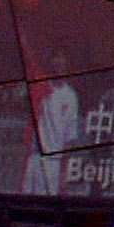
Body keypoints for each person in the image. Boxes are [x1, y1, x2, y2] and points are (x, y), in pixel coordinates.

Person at [22, 50, 80, 195]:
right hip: (33, 156)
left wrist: (63, 173)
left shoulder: (70, 97)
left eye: (62, 63)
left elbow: (69, 138)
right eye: (56, 61)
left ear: (66, 66)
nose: (58, 66)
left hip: (52, 161)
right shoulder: (41, 87)